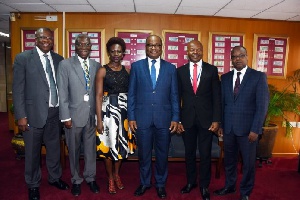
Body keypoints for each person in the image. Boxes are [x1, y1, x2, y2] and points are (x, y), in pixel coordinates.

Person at [12, 27, 69, 200]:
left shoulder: (59, 59)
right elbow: (18, 88)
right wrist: (21, 115)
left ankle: (54, 178)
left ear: (53, 41)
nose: (46, 40)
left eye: (49, 38)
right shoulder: (23, 58)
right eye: (42, 37)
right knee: (32, 153)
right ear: (35, 39)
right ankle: (33, 184)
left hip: (54, 113)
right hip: (32, 114)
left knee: (54, 150)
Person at [213, 46, 269, 200]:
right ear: (231, 59)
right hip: (229, 129)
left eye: (241, 55)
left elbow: (262, 106)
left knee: (248, 164)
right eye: (234, 56)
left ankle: (245, 192)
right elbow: (222, 103)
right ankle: (230, 186)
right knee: (229, 161)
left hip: (248, 131)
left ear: (247, 57)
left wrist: (256, 129)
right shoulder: (224, 78)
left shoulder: (258, 77)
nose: (238, 59)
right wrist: (221, 126)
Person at [128, 35, 180, 199]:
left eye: (157, 45)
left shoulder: (171, 68)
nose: (153, 48)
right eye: (150, 45)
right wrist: (131, 116)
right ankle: (144, 183)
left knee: (162, 154)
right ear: (146, 47)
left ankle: (160, 184)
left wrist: (175, 117)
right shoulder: (136, 67)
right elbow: (132, 94)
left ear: (161, 47)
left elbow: (174, 95)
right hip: (142, 118)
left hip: (164, 119)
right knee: (143, 154)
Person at [177, 40, 221, 200]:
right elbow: (177, 97)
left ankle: (204, 186)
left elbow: (217, 97)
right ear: (187, 52)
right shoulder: (180, 71)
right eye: (191, 49)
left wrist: (216, 119)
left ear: (203, 50)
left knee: (205, 154)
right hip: (187, 119)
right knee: (189, 154)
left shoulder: (211, 70)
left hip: (207, 121)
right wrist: (178, 120)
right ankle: (190, 182)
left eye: (198, 49)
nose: (195, 52)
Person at [57, 34, 100, 196]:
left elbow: (98, 92)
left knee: (90, 150)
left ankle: (90, 177)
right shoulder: (65, 65)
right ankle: (76, 179)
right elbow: (62, 92)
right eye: (80, 44)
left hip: (91, 116)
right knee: (73, 150)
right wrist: (65, 117)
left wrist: (98, 115)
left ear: (91, 47)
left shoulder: (96, 65)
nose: (84, 46)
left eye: (87, 44)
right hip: (73, 117)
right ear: (75, 46)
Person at [95, 37, 135, 194]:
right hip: (107, 114)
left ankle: (117, 174)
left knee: (120, 147)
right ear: (109, 52)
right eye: (113, 51)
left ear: (123, 52)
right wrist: (99, 120)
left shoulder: (128, 71)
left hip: (124, 113)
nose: (116, 54)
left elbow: (132, 95)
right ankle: (110, 177)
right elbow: (98, 96)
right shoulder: (102, 70)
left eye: (119, 51)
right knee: (108, 147)